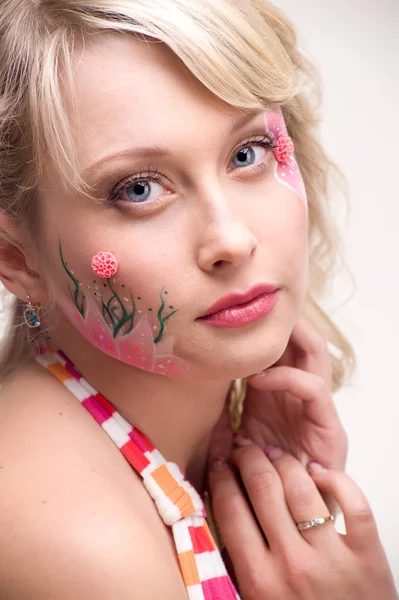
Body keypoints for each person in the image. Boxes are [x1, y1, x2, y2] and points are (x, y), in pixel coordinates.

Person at [0, 0, 396, 598]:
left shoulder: (174, 463)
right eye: (137, 189)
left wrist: (279, 486)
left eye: (247, 154)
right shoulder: (78, 540)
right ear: (17, 258)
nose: (231, 240)